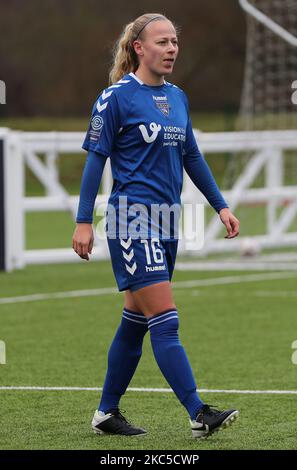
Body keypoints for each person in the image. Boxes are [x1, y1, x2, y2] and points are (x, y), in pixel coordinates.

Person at [72, 13, 240, 438]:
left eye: (174, 42)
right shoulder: (115, 98)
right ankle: (198, 412)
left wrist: (220, 207)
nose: (171, 49)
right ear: (138, 48)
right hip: (132, 221)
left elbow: (192, 157)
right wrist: (83, 221)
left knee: (135, 319)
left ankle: (106, 413)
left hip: (167, 223)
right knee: (165, 317)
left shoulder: (177, 98)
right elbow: (96, 160)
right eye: (162, 42)